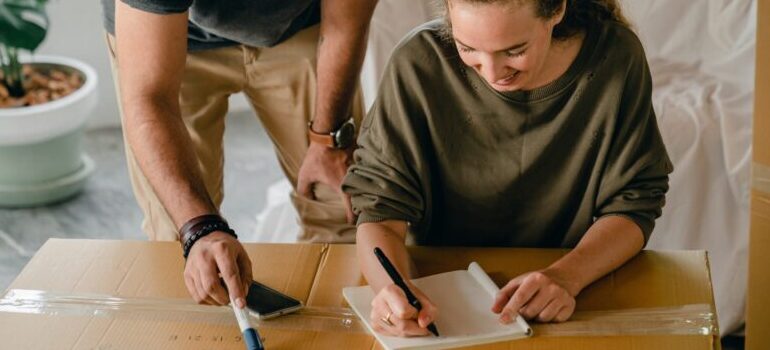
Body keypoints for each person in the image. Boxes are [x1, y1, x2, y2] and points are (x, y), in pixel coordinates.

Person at [343, 0, 673, 337]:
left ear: (556, 11)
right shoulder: (418, 62)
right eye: (467, 48)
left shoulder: (615, 56)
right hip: (436, 298)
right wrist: (393, 289)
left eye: (514, 51)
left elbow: (634, 203)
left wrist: (566, 276)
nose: (492, 72)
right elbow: (379, 211)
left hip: (569, 291)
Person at [101, 0, 377, 308]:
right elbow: (150, 97)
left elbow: (345, 24)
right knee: (182, 246)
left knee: (344, 213)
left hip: (300, 26)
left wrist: (328, 138)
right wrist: (200, 229)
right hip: (166, 39)